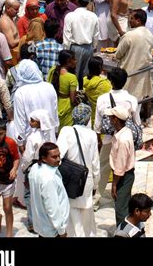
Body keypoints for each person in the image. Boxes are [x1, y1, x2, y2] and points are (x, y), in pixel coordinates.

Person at [93, 67, 140, 207]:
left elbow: (97, 123)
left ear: (110, 81)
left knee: (103, 169)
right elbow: (136, 121)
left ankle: (96, 200)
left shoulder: (102, 99)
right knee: (125, 168)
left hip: (108, 139)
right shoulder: (131, 99)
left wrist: (98, 140)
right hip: (126, 138)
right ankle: (121, 198)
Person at [57, 104, 100, 237]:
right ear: (88, 118)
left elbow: (58, 156)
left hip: (70, 180)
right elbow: (95, 163)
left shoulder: (66, 131)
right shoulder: (92, 135)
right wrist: (96, 184)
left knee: (73, 217)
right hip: (86, 180)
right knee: (87, 216)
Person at [20, 109, 57, 232]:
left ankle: (32, 222)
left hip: (34, 167)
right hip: (48, 167)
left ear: (39, 122)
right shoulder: (51, 136)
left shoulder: (33, 137)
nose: (30, 122)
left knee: (29, 195)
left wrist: (24, 168)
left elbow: (28, 157)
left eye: (32, 120)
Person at [13, 59, 59, 149]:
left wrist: (20, 142)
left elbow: (20, 120)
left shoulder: (21, 92)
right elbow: (54, 113)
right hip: (49, 136)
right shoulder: (49, 87)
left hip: (31, 140)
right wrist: (55, 131)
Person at [28, 142, 70, 238]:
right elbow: (52, 208)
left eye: (59, 156)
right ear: (43, 158)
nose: (58, 159)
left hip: (42, 226)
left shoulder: (35, 168)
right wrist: (61, 231)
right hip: (53, 230)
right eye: (54, 157)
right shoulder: (48, 179)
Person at [114, 9, 153, 103]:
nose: (129, 20)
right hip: (142, 73)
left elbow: (118, 54)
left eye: (131, 18)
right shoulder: (149, 34)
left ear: (138, 21)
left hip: (128, 73)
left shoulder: (129, 35)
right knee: (137, 103)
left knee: (124, 103)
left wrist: (115, 56)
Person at [63, 0, 99, 88]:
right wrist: (94, 48)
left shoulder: (70, 16)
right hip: (88, 48)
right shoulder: (94, 16)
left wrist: (66, 52)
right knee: (86, 76)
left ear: (77, 1)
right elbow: (96, 35)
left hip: (75, 48)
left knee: (73, 74)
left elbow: (67, 36)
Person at [106, 105, 136, 226]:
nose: (109, 119)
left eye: (110, 117)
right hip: (124, 175)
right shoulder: (123, 132)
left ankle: (124, 231)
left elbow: (120, 166)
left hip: (124, 176)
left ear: (116, 120)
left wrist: (114, 184)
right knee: (124, 205)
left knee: (120, 209)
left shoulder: (123, 139)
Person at [47, 50, 79, 130]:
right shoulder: (71, 77)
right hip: (66, 108)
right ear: (68, 61)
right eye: (74, 59)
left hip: (54, 103)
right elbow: (72, 100)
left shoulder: (53, 70)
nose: (76, 61)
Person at [83, 56, 112, 124]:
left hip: (91, 115)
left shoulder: (84, 80)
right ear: (100, 67)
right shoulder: (104, 83)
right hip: (102, 115)